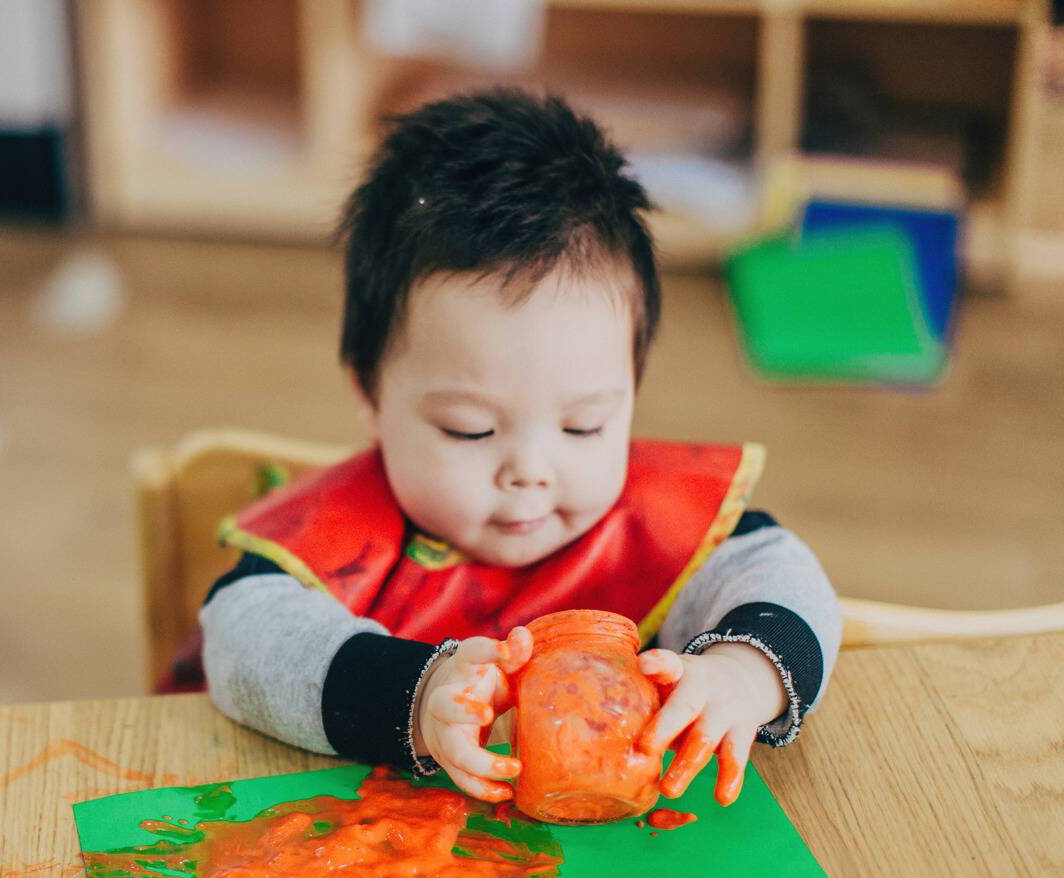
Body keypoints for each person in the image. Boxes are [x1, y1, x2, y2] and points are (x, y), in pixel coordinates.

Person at [193, 89, 840, 807]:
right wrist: (417, 696)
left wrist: (742, 673)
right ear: (369, 394)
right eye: (471, 429)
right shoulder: (338, 537)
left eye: (583, 426)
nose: (531, 472)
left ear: (632, 387)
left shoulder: (662, 524)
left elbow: (784, 578)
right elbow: (242, 641)